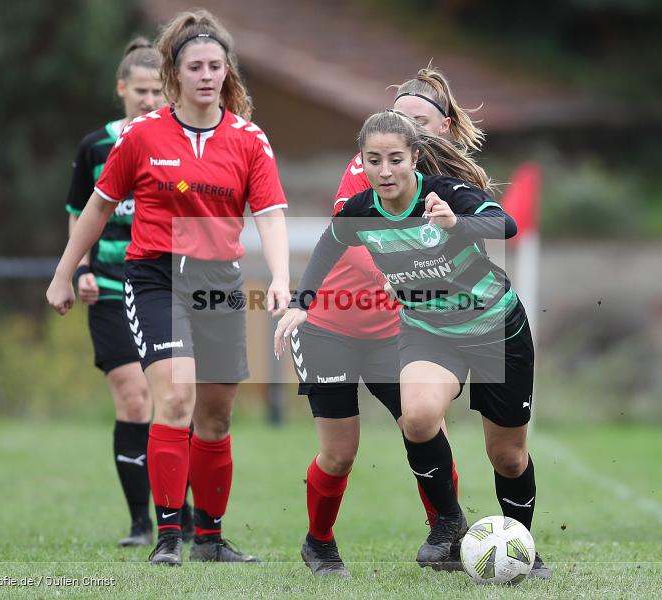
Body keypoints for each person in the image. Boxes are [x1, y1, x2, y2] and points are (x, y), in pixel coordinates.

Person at [48, 9, 290, 566]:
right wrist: (66, 271)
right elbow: (98, 206)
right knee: (175, 398)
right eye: (195, 66)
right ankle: (167, 537)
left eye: (215, 66)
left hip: (219, 280)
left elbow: (272, 213)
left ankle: (210, 539)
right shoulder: (141, 136)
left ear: (226, 72)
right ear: (174, 74)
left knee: (216, 415)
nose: (206, 75)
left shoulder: (249, 140)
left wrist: (280, 278)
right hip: (157, 276)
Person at [276, 109, 550, 578]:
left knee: (508, 455)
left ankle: (519, 547)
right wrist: (302, 301)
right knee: (419, 418)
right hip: (428, 329)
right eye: (374, 160)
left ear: (415, 158)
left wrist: (455, 225)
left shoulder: (444, 194)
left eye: (395, 159)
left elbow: (505, 225)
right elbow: (330, 240)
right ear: (361, 162)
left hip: (495, 329)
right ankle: (447, 522)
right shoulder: (361, 209)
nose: (385, 171)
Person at [289, 66, 485, 577]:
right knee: (340, 452)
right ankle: (318, 542)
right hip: (330, 326)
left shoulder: (451, 185)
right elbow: (354, 245)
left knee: (423, 425)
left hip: (391, 331)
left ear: (440, 129)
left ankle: (447, 535)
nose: (405, 128)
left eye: (418, 121)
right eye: (399, 118)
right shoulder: (373, 167)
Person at [64, 37, 196, 549]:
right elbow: (81, 214)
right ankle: (142, 523)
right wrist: (79, 272)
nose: (147, 99)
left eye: (155, 90)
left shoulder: (175, 144)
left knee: (173, 399)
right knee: (134, 397)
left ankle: (180, 514)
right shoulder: (97, 147)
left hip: (167, 290)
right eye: (139, 90)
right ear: (122, 89)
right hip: (112, 291)